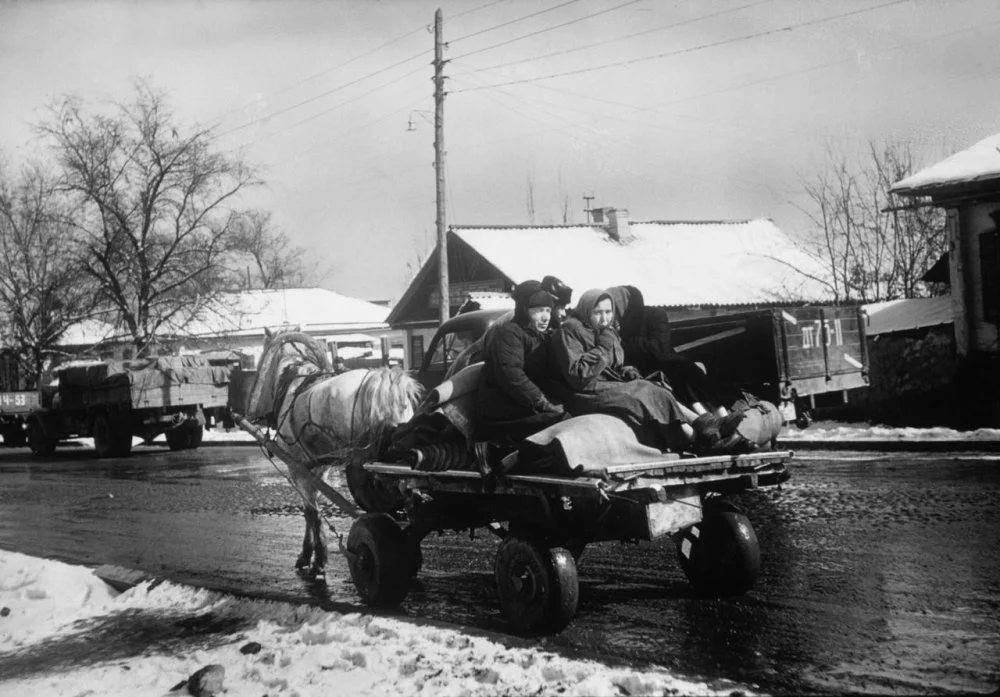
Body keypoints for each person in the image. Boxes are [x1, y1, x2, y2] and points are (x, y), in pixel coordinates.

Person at [547, 288, 699, 453]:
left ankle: (704, 425)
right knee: (644, 393)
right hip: (586, 392)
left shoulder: (606, 331)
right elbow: (577, 375)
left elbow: (616, 364)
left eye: (608, 312)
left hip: (609, 385)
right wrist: (602, 349)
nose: (604, 318)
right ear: (586, 310)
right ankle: (697, 439)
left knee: (656, 387)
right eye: (598, 312)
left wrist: (627, 370)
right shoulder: (569, 330)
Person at [476, 279, 568, 444]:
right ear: (524, 309)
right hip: (503, 408)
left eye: (548, 310)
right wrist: (541, 402)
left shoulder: (539, 336)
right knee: (560, 420)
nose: (545, 317)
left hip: (523, 404)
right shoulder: (509, 334)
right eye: (539, 310)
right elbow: (512, 374)